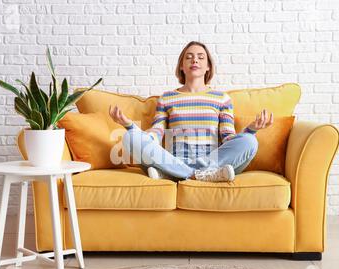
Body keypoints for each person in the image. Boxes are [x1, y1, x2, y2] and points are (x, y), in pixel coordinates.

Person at [109, 41, 273, 182]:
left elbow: (228, 138)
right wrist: (130, 126)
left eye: (201, 57)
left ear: (208, 66)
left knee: (250, 141)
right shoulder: (167, 98)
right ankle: (200, 175)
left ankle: (172, 175)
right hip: (174, 160)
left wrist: (252, 129)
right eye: (189, 57)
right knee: (129, 137)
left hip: (213, 162)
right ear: (181, 66)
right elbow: (155, 134)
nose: (195, 59)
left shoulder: (222, 99)